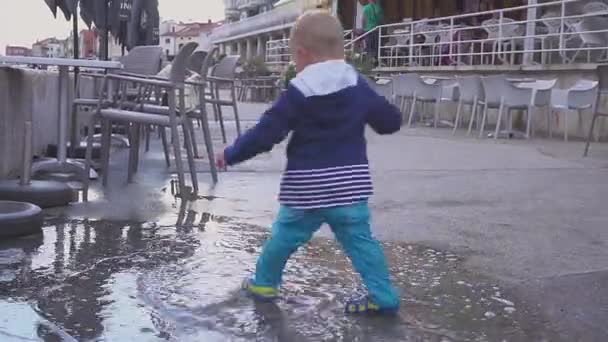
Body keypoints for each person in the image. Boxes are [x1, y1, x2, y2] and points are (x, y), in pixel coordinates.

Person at [216, 11, 402, 315]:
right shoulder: (356, 83)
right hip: (349, 187)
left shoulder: (299, 91)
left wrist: (231, 153)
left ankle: (264, 283)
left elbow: (266, 134)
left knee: (284, 237)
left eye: (294, 59)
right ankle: (383, 295)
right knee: (361, 242)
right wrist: (387, 115)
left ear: (302, 54)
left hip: (307, 188)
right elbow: (388, 121)